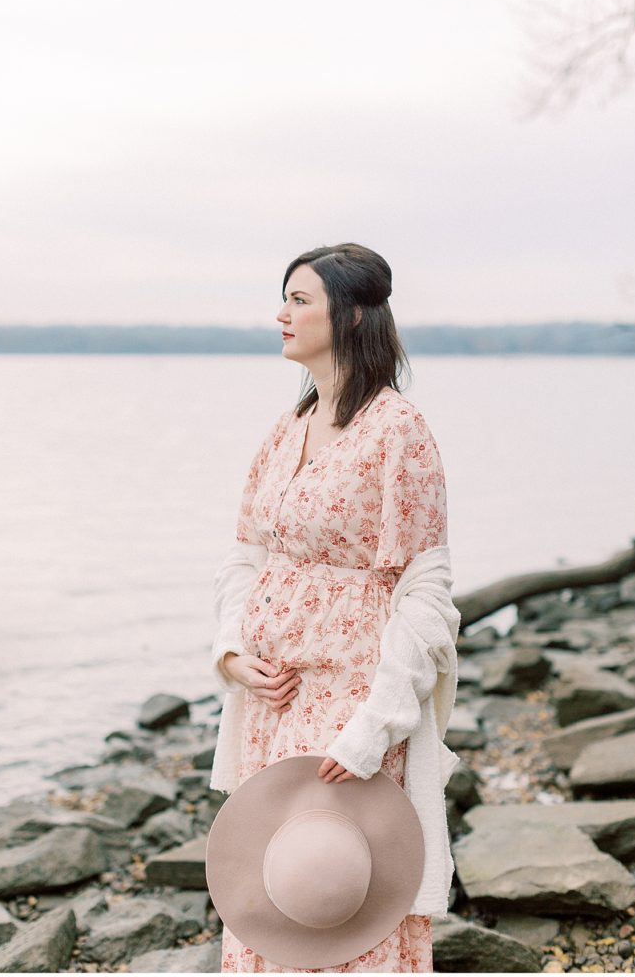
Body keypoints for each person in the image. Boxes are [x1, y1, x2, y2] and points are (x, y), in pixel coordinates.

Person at [209, 242, 460, 973]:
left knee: (343, 880)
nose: (280, 314)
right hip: (272, 701)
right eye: (283, 298)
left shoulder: (396, 431)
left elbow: (424, 593)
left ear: (349, 315)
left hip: (351, 699)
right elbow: (245, 556)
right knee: (272, 883)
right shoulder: (287, 429)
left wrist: (370, 729)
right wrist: (231, 655)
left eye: (298, 299)